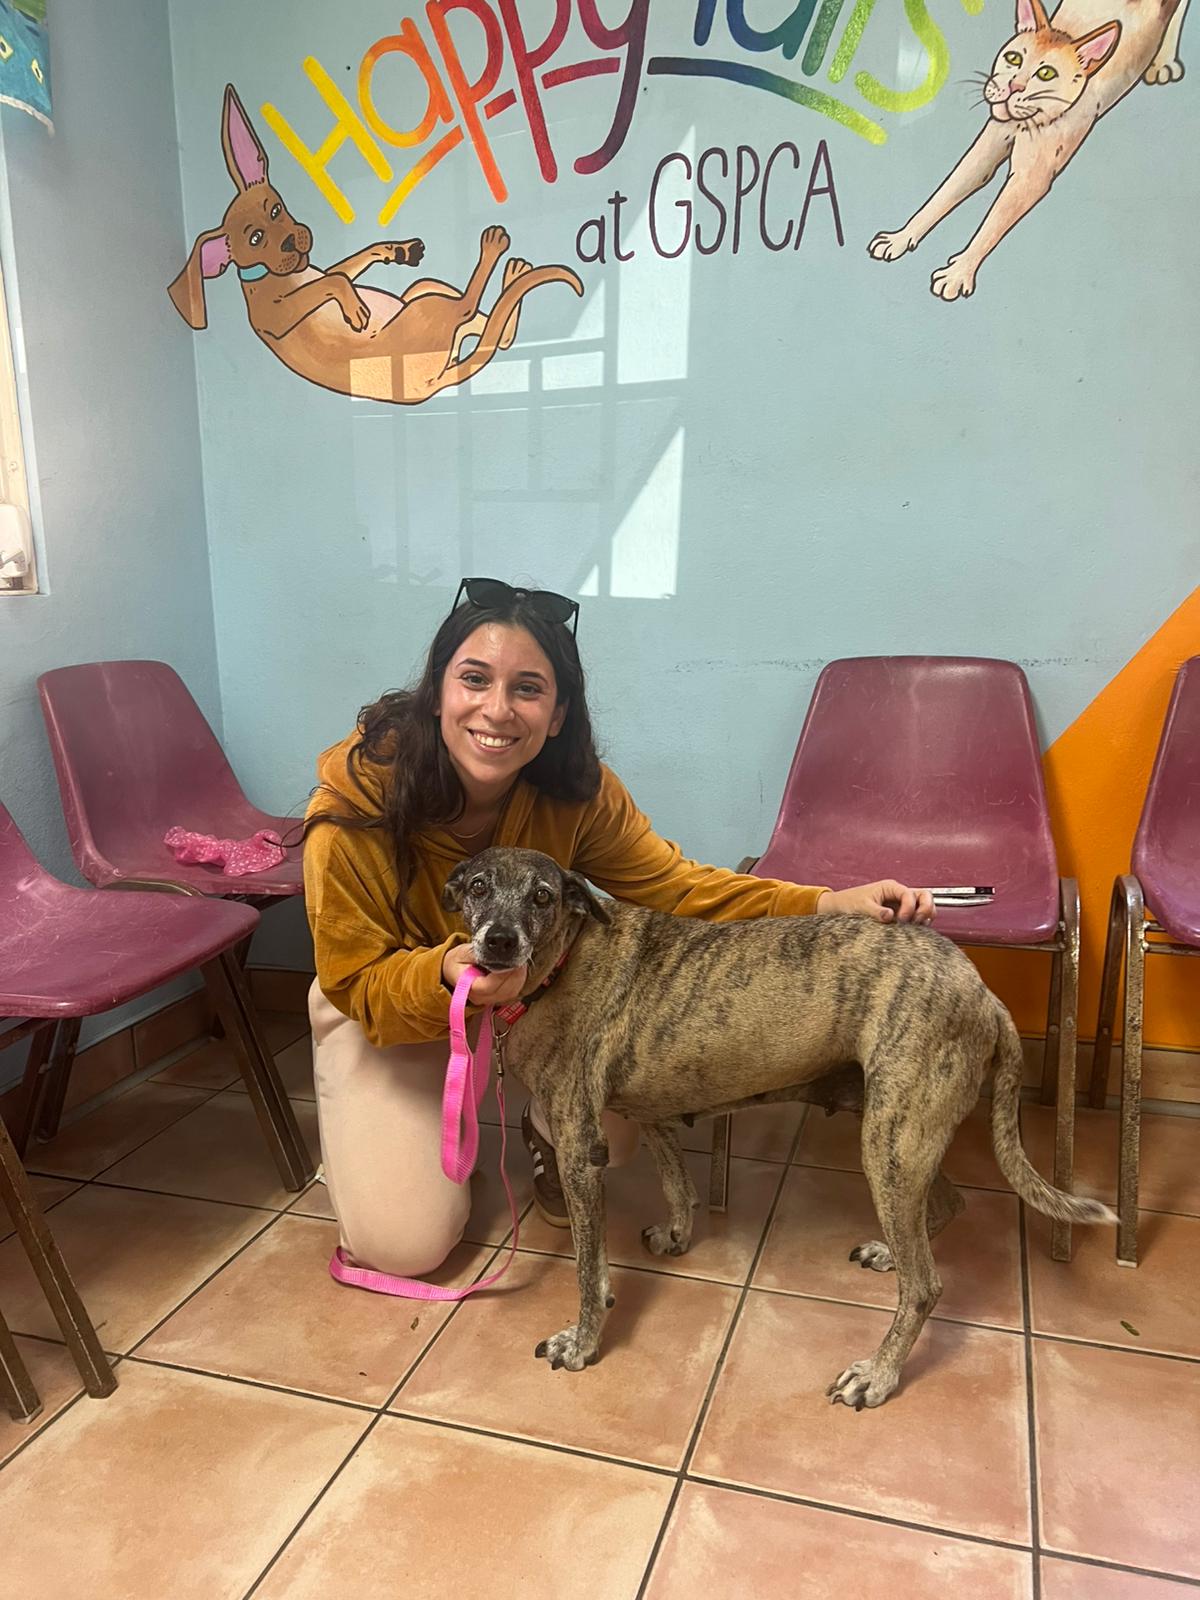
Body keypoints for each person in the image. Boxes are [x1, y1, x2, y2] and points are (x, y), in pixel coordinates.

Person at [302, 578, 934, 1282]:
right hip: (392, 1006)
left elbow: (680, 888)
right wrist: (443, 977)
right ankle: (392, 1144)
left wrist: (825, 905)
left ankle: (544, 1128)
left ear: (558, 714)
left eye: (528, 689)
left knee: (623, 1105)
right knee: (403, 1247)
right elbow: (353, 977)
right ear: (437, 691)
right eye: (474, 679)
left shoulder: (575, 793)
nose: (497, 710)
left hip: (531, 999)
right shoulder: (354, 808)